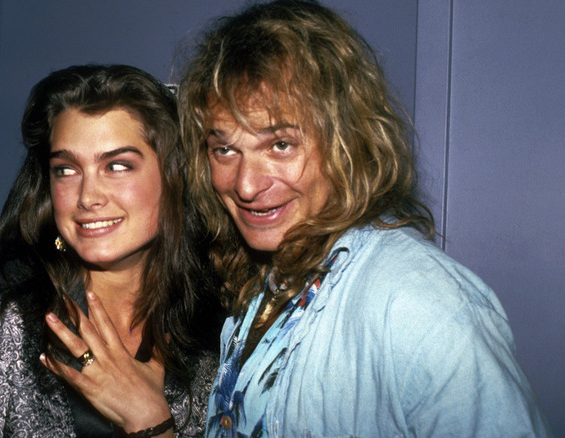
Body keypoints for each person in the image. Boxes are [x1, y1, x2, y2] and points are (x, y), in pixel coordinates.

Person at [174, 0, 552, 436]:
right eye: (225, 150)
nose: (244, 184)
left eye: (280, 145)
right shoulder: (266, 279)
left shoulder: (421, 307)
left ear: (346, 141)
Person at [0, 64, 220, 437]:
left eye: (117, 166)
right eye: (66, 170)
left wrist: (152, 421)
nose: (87, 197)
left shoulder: (214, 328)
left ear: (175, 177)